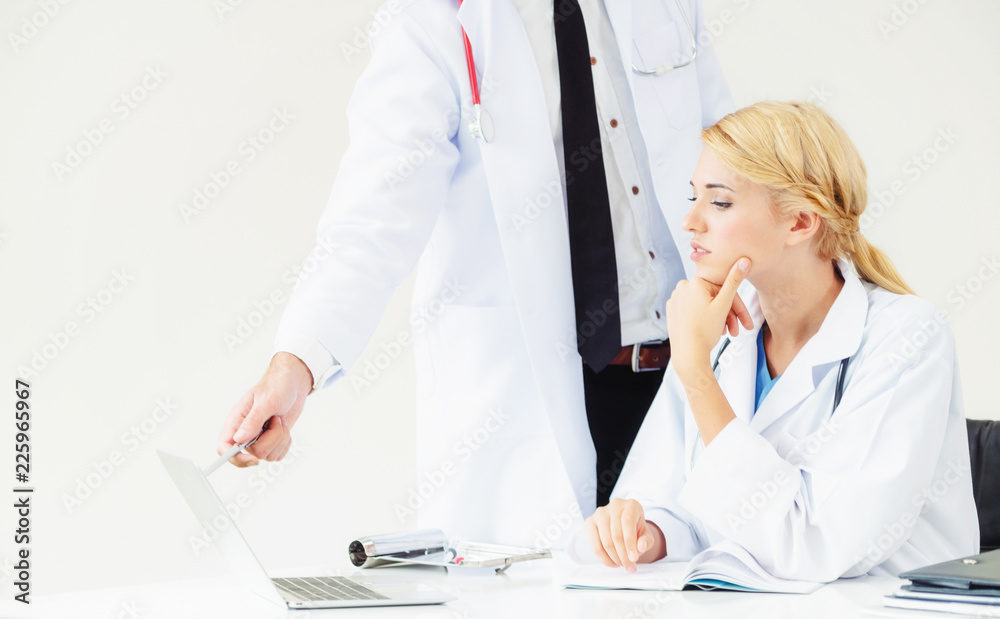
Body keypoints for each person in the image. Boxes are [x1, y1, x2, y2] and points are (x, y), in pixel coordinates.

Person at [215, 0, 740, 548]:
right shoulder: (430, 21)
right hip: (536, 394)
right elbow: (373, 216)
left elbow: (736, 154)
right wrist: (295, 366)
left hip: (687, 369)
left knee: (700, 574)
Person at [584, 101, 979, 581]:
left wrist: (696, 376)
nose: (690, 223)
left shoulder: (907, 338)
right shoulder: (714, 333)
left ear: (799, 223)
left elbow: (816, 548)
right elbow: (679, 506)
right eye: (693, 197)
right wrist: (646, 533)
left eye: (720, 202)